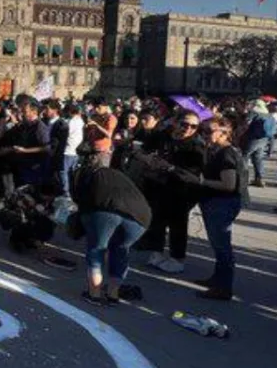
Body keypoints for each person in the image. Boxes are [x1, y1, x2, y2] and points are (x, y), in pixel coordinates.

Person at [175, 117, 247, 300]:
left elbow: (229, 184)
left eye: (209, 131)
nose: (205, 134)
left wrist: (201, 181)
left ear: (224, 133)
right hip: (217, 202)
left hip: (222, 203)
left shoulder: (226, 154)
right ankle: (217, 280)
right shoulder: (218, 150)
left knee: (222, 247)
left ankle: (223, 288)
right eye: (204, 130)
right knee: (218, 245)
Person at [72, 143, 151, 306]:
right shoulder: (117, 174)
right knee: (121, 250)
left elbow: (82, 201)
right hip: (140, 216)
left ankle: (94, 293)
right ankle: (113, 294)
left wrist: (82, 224)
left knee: (97, 249)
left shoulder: (86, 173)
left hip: (106, 211)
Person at [140, 111, 206, 274]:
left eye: (193, 126)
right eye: (184, 124)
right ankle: (156, 252)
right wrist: (147, 159)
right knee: (157, 220)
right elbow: (143, 150)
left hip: (181, 190)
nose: (188, 128)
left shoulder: (196, 145)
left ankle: (177, 258)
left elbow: (193, 175)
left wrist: (169, 167)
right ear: (175, 122)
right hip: (157, 185)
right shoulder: (162, 136)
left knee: (178, 224)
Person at [243, 99, 273, 188]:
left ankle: (244, 178)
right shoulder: (267, 114)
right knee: (258, 159)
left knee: (245, 156)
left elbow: (246, 122)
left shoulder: (254, 112)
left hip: (253, 138)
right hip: (264, 139)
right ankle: (259, 179)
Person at [84, 97, 117, 167]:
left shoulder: (111, 118)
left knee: (101, 174)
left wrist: (96, 125)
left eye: (99, 107)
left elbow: (108, 134)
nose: (96, 109)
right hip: (91, 150)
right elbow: (89, 133)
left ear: (106, 107)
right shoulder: (94, 116)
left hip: (103, 152)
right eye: (95, 107)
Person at [61, 103, 84, 196]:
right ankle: (73, 191)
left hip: (68, 150)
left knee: (64, 172)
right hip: (76, 150)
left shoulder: (71, 122)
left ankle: (66, 192)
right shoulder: (81, 121)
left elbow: (65, 133)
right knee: (73, 172)